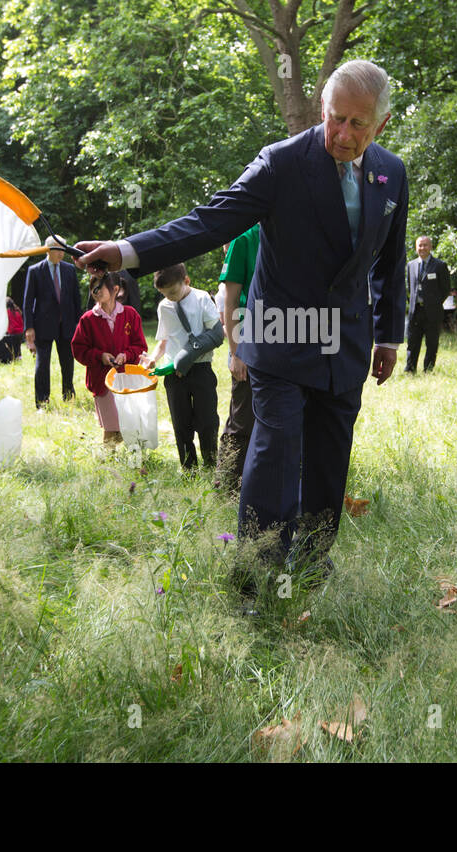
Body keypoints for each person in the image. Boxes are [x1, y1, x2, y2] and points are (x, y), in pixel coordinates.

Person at [73, 59, 407, 595]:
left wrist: (388, 336)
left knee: (330, 456)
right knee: (275, 451)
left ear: (381, 126)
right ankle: (253, 576)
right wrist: (125, 252)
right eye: (334, 119)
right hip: (279, 335)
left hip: (344, 343)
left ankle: (312, 563)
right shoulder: (279, 165)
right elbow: (210, 220)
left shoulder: (392, 174)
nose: (342, 135)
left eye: (357, 125)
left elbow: (390, 263)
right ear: (323, 109)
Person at [145, 263, 221, 469]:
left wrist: (190, 354)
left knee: (207, 421)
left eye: (172, 292)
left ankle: (211, 463)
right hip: (175, 373)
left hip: (201, 368)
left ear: (186, 281)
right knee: (181, 424)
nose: (169, 297)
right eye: (164, 293)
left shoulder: (202, 298)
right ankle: (189, 468)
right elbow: (164, 341)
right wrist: (154, 358)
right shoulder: (164, 306)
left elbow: (214, 333)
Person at [70, 272, 147, 445]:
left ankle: (135, 462)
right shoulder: (88, 319)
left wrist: (126, 355)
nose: (95, 291)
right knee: (111, 428)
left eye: (99, 287)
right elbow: (78, 349)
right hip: (102, 381)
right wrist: (100, 356)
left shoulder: (130, 314)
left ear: (116, 290)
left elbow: (140, 345)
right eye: (92, 288)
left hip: (127, 379)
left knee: (130, 424)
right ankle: (107, 463)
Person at [217, 225, 260, 491]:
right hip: (249, 342)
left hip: (288, 341)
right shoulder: (243, 238)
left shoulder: (297, 228)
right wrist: (236, 353)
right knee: (242, 419)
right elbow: (230, 303)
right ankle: (227, 486)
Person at [22, 235, 81, 407]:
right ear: (48, 249)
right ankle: (42, 401)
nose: (62, 253)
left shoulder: (69, 270)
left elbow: (76, 299)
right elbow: (27, 302)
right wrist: (29, 327)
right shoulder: (35, 271)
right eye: (58, 250)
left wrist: (79, 323)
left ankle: (68, 395)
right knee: (42, 365)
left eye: (64, 249)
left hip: (67, 325)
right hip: (43, 326)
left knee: (67, 363)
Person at [405, 235, 451, 373]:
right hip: (415, 311)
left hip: (432, 312)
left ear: (430, 247)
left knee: (431, 343)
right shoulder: (410, 265)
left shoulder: (439, 265)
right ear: (416, 247)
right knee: (412, 342)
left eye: (425, 245)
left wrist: (434, 303)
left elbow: (445, 289)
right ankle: (410, 369)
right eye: (420, 245)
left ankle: (428, 370)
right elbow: (409, 288)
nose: (422, 248)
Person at [0, 296, 24, 364]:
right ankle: (18, 357)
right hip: (20, 333)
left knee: (6, 344)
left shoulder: (7, 312)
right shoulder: (17, 311)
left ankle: (7, 358)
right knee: (17, 346)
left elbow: (7, 324)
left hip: (13, 333)